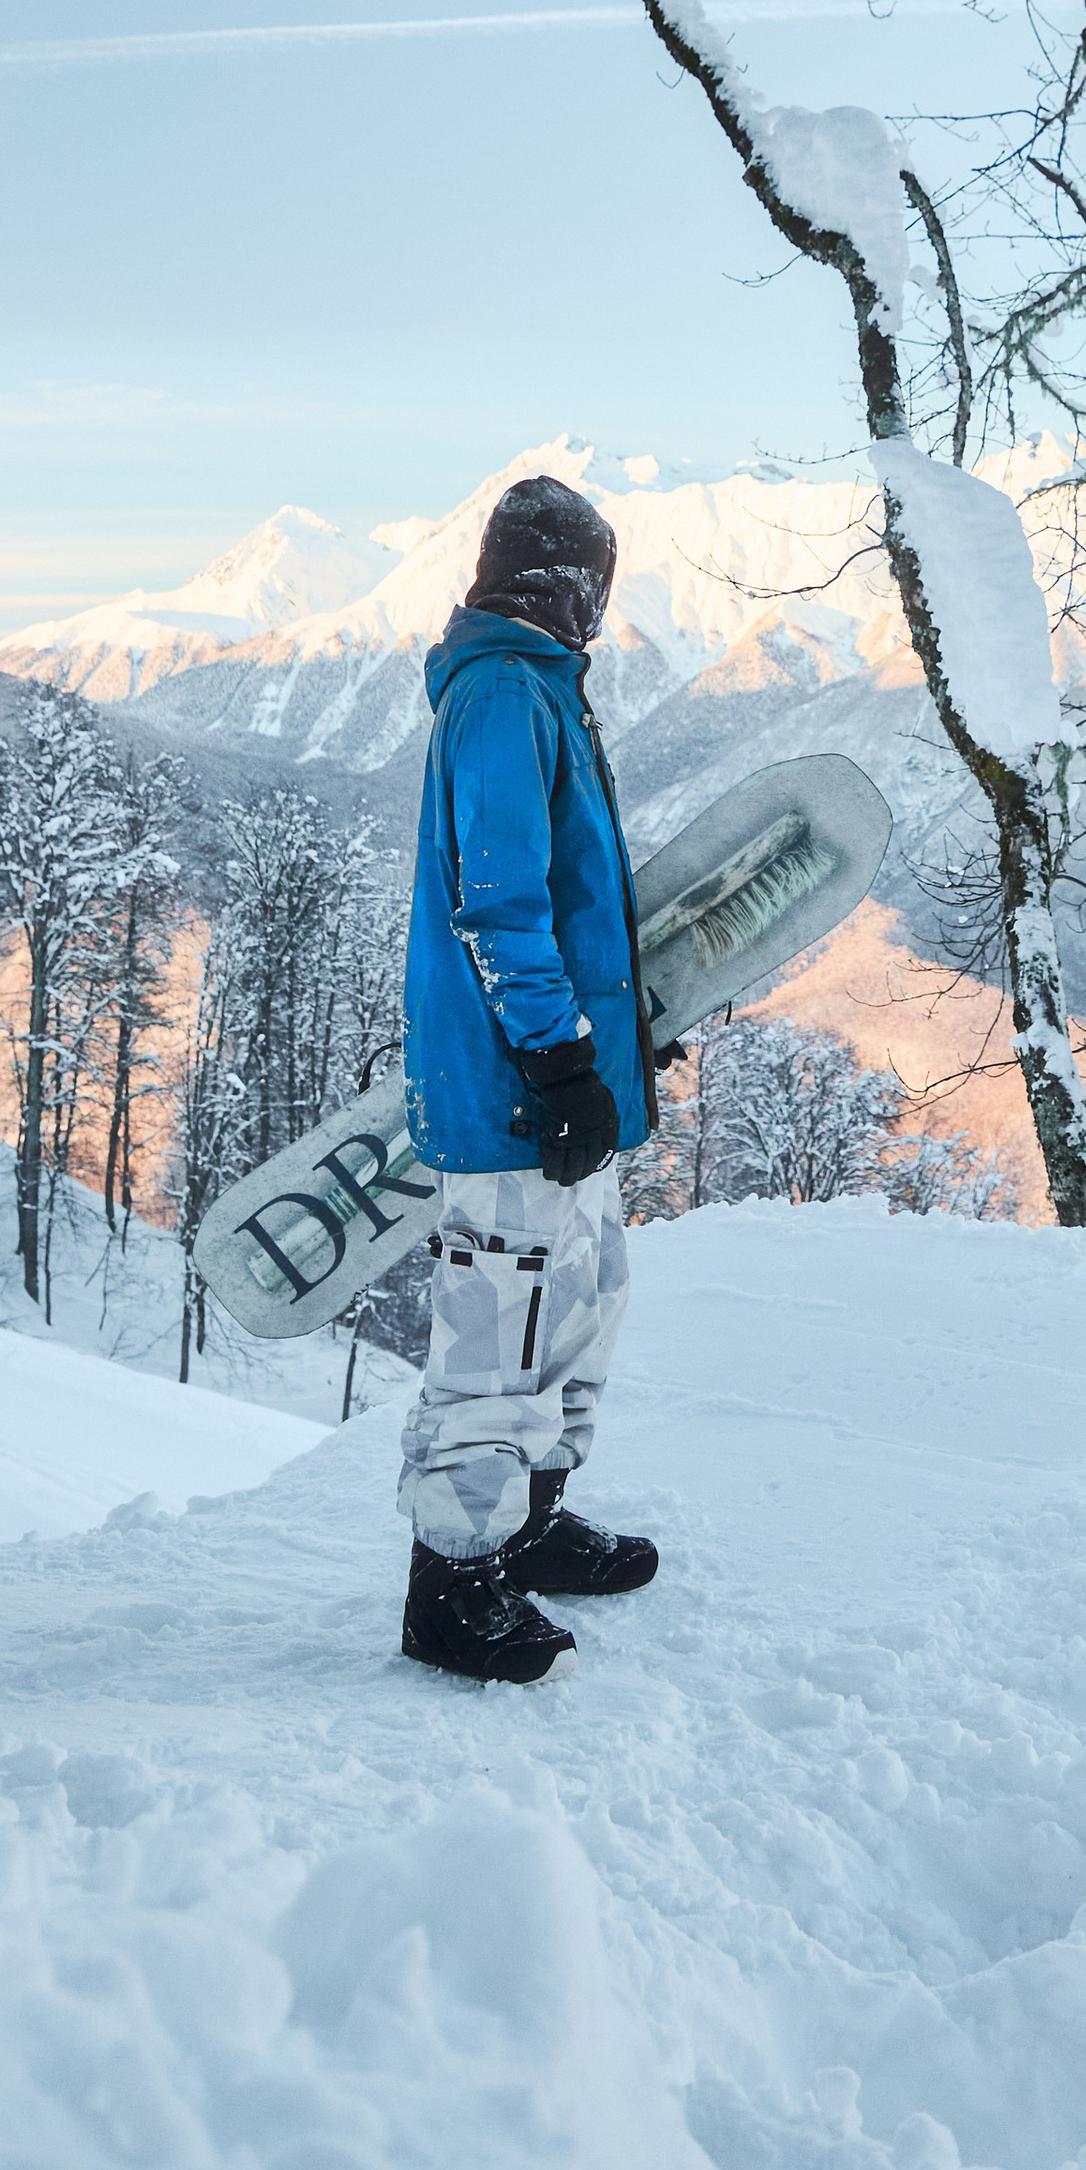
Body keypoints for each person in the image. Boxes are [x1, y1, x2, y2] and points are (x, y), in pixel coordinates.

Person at [397, 471, 663, 1681]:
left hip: (555, 1081)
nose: (597, 606)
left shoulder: (539, 684)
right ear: (558, 579)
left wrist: (607, 1044)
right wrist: (559, 1063)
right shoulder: (504, 692)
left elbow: (569, 901)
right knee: (496, 1329)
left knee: (585, 1294)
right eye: (589, 583)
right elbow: (498, 906)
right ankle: (452, 1587)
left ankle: (530, 1523)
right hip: (513, 1095)